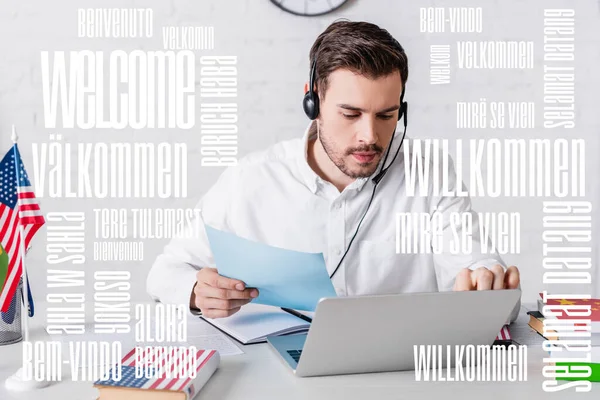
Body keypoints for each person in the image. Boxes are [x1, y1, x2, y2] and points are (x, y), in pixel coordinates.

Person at [147, 20, 521, 319]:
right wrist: (197, 293)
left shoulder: (430, 172)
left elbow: (473, 263)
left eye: (386, 115)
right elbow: (165, 273)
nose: (369, 136)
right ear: (314, 99)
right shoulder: (250, 180)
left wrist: (486, 278)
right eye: (350, 114)